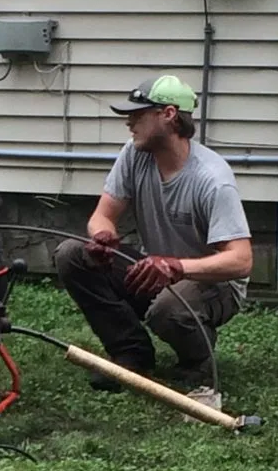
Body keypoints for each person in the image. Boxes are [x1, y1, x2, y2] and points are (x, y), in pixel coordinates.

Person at [54, 74, 253, 391]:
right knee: (72, 256)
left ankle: (197, 363)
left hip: (213, 283)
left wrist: (176, 267)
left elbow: (241, 261)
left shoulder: (212, 179)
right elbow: (101, 216)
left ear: (169, 115)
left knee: (168, 310)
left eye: (138, 114)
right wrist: (102, 235)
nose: (129, 123)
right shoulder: (135, 154)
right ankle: (131, 355)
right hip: (155, 270)